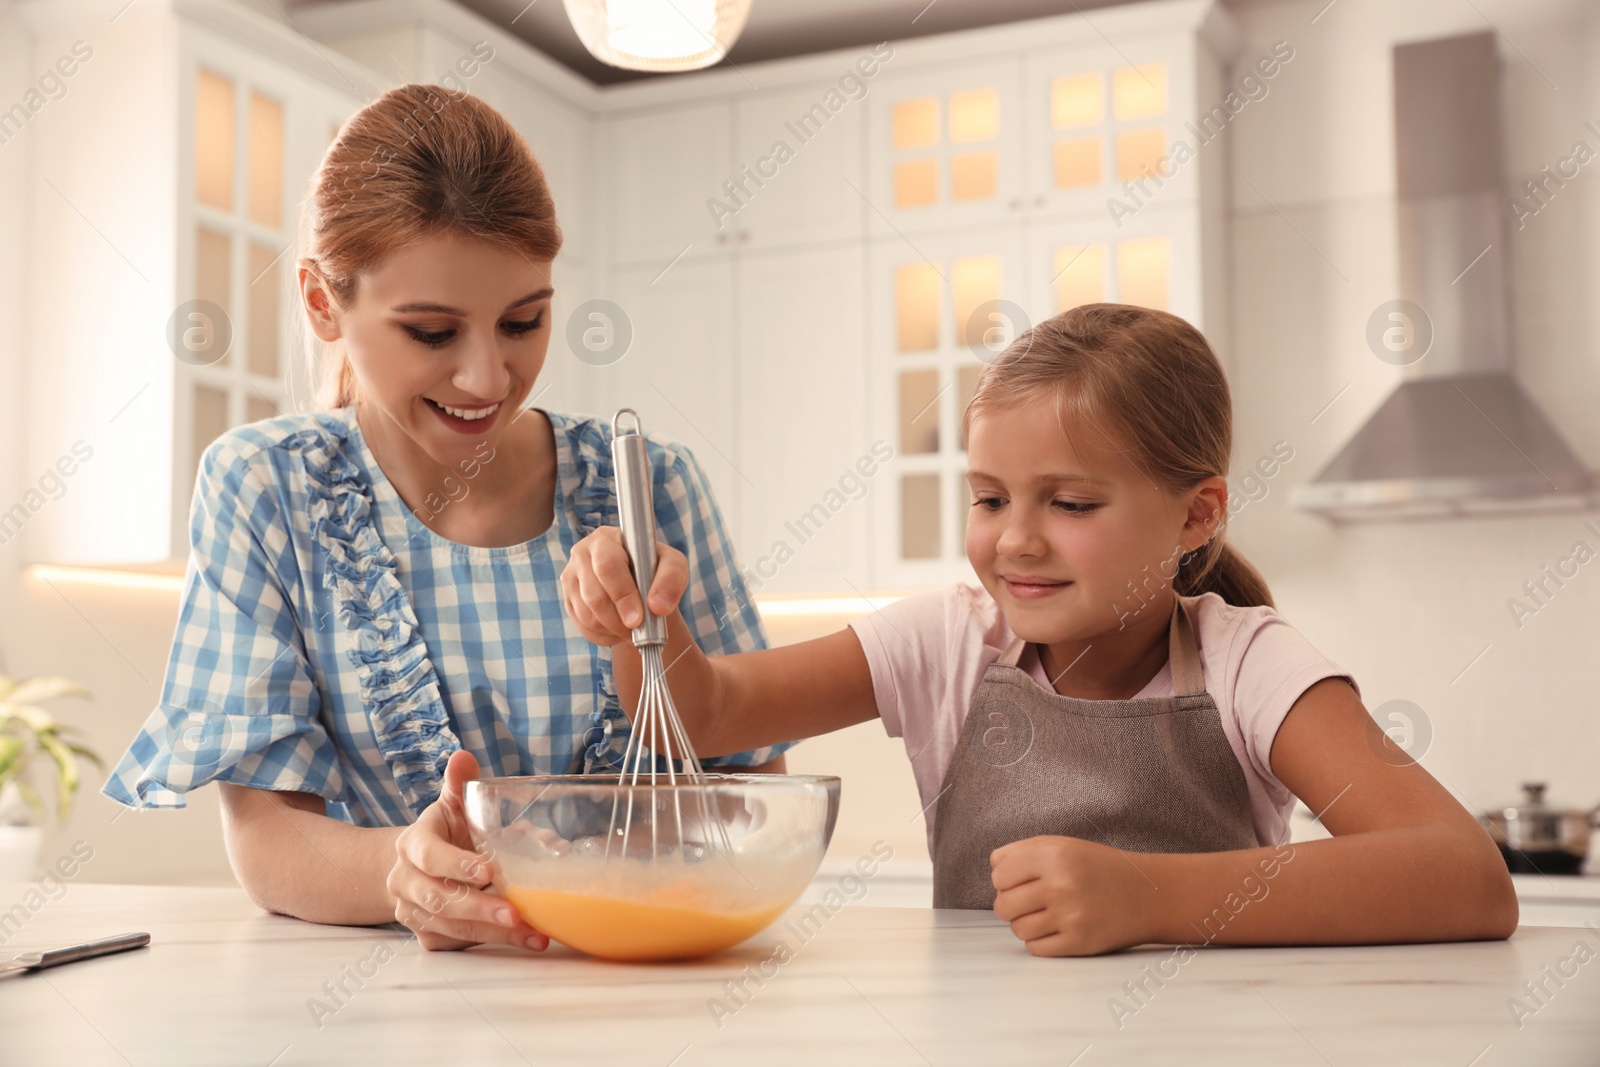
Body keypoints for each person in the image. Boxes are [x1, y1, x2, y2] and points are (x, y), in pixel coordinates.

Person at [562, 303, 1518, 957]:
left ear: (1197, 516)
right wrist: (641, 624)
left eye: (1068, 501)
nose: (1015, 539)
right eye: (988, 497)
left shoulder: (1247, 662)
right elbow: (711, 713)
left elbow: (1467, 875)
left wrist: (1148, 900)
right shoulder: (949, 642)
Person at [101, 83, 791, 951]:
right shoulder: (266, 488)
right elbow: (268, 838)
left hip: (635, 987)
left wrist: (651, 637)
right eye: (432, 332)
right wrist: (409, 869)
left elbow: (751, 778)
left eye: (522, 322)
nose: (488, 378)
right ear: (322, 302)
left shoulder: (649, 486)